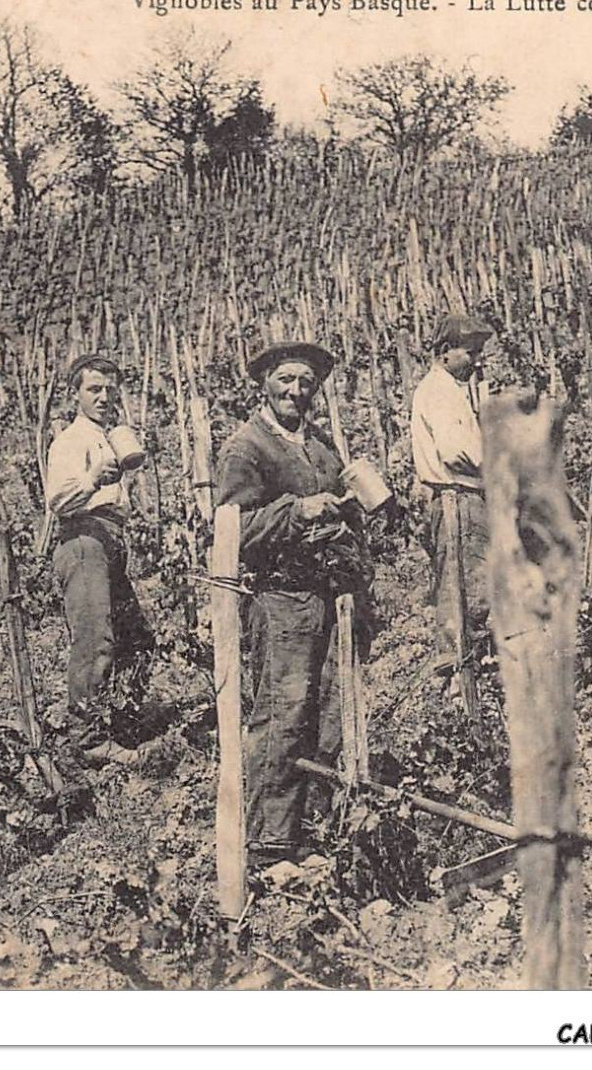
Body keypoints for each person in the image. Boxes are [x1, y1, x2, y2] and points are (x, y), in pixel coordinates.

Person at [214, 341, 368, 867]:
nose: (295, 391)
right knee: (283, 715)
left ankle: (317, 830)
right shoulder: (246, 448)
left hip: (327, 594)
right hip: (279, 599)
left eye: (305, 382)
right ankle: (273, 845)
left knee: (327, 714)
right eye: (285, 379)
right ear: (264, 383)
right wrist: (298, 511)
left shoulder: (320, 446)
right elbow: (235, 531)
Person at [44, 354, 151, 764]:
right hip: (83, 539)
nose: (105, 397)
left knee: (138, 640)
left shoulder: (110, 437)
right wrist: (92, 480)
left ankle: (119, 724)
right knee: (95, 639)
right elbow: (58, 500)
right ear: (76, 395)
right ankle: (87, 740)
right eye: (94, 389)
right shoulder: (69, 441)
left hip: (109, 540)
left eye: (110, 390)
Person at [410, 313, 494, 689]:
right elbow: (457, 452)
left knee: (469, 586)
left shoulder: (451, 390)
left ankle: (469, 671)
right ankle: (461, 678)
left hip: (463, 496)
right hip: (457, 498)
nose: (476, 362)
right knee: (465, 587)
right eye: (470, 353)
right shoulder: (439, 392)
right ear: (445, 352)